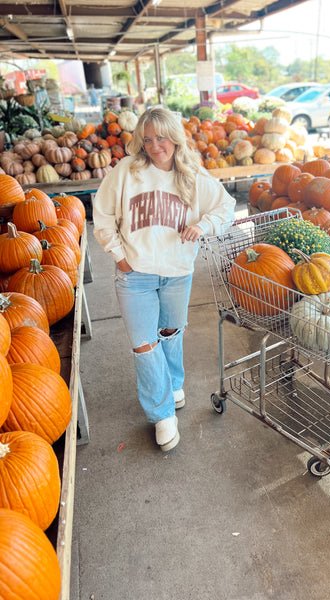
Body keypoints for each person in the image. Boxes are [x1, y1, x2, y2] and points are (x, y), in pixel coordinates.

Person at [92, 107, 236, 451]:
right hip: (134, 275)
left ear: (174, 138)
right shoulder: (126, 172)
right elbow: (102, 214)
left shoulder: (191, 175)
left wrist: (203, 225)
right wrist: (119, 256)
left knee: (170, 331)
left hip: (177, 273)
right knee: (144, 344)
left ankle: (173, 383)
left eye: (161, 137)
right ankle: (162, 414)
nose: (156, 145)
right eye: (148, 138)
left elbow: (226, 206)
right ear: (140, 141)